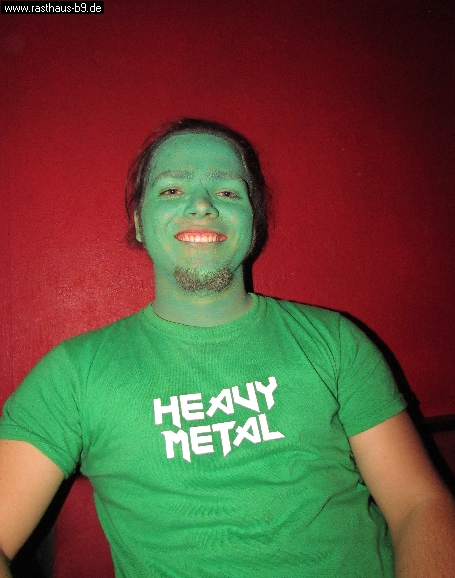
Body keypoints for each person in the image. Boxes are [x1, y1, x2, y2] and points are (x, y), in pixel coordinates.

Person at [0, 118, 454, 578]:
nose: (201, 205)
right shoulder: (73, 374)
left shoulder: (335, 341)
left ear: (253, 222)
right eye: (172, 190)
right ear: (138, 221)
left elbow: (419, 505)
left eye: (228, 192)